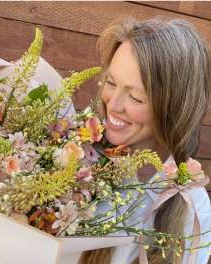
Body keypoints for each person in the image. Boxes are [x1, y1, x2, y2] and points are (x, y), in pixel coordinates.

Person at [60, 17, 211, 264]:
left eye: (136, 98)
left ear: (172, 110)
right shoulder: (70, 153)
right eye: (110, 82)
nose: (113, 104)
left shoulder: (190, 209)